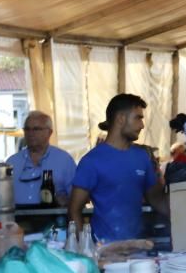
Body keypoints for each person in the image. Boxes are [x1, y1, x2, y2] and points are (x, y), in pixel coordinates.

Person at [69, 94, 168, 242]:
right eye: (138, 118)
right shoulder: (91, 161)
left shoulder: (142, 157)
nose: (142, 125)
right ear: (121, 118)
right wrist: (85, 249)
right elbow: (74, 210)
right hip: (104, 249)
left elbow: (157, 200)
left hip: (138, 249)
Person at [6, 111, 76, 206]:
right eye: (27, 129)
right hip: (17, 219)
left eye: (36, 129)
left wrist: (65, 201)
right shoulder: (12, 162)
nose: (30, 133)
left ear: (49, 132)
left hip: (54, 219)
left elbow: (78, 199)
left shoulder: (64, 161)